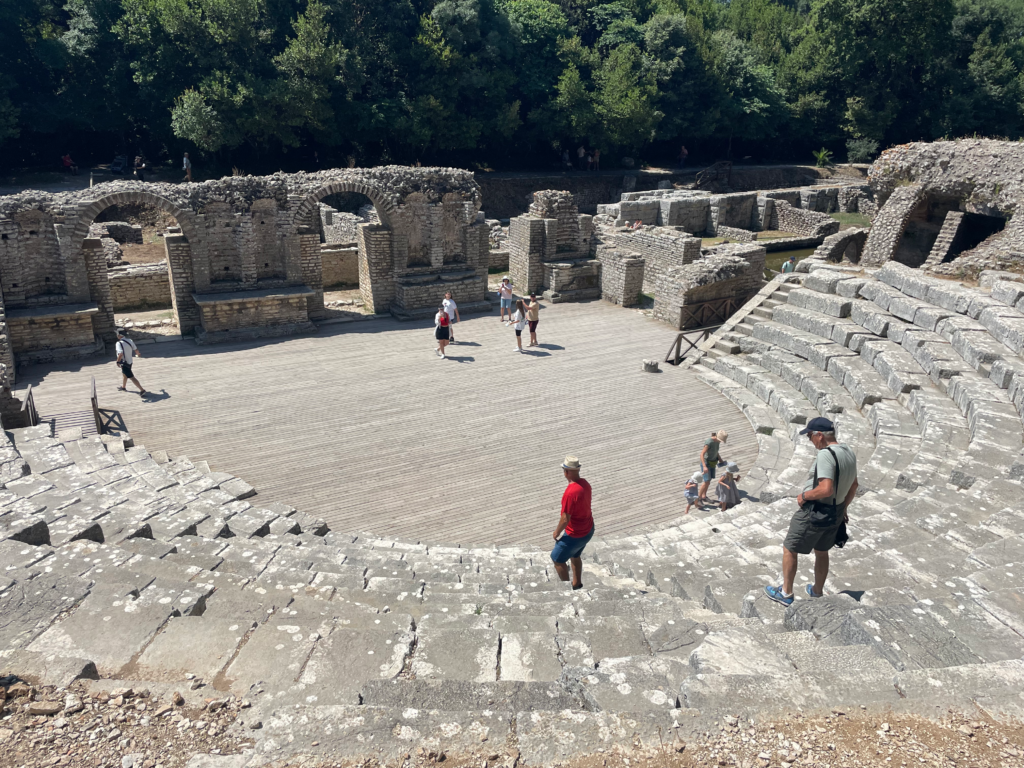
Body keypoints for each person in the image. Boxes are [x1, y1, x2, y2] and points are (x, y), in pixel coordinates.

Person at [765, 417, 858, 606]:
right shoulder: (848, 451)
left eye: (810, 436)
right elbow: (854, 485)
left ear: (819, 435)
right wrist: (844, 508)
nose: (810, 440)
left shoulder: (825, 454)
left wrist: (804, 496)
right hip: (837, 510)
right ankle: (817, 591)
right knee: (822, 551)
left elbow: (826, 489)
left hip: (816, 511)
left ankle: (786, 593)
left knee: (790, 548)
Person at [551, 456, 593, 591]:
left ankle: (567, 590)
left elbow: (565, 518)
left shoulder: (570, 493)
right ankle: (577, 584)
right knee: (575, 555)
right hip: (588, 529)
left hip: (575, 534)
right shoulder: (585, 484)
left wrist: (557, 533)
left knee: (557, 559)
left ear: (566, 472)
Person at [697, 430, 728, 507]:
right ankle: (698, 499)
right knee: (706, 481)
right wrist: (704, 466)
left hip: (713, 462)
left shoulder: (717, 441)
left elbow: (716, 451)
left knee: (709, 480)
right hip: (706, 463)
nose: (720, 442)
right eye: (720, 440)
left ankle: (704, 496)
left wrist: (720, 459)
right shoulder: (709, 442)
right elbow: (702, 454)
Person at [115, 330, 147, 395]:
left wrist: (118, 361)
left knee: (131, 377)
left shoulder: (119, 343)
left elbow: (120, 354)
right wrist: (138, 354)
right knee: (124, 374)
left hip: (124, 363)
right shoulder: (130, 340)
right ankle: (123, 387)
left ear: (119, 335)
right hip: (130, 361)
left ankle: (142, 390)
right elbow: (136, 349)